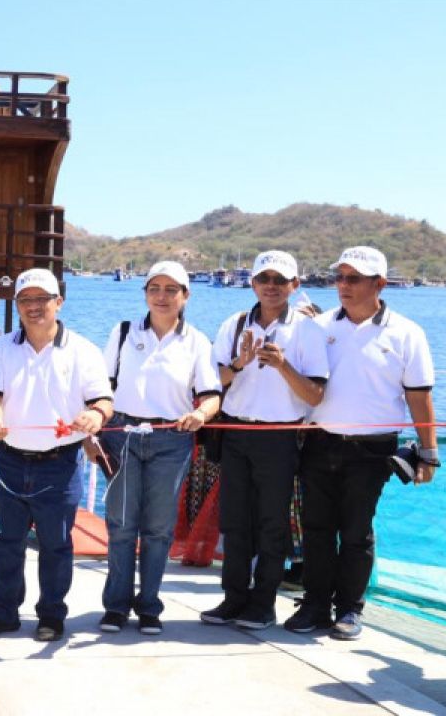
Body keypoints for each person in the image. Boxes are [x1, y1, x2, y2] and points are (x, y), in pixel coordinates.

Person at [285, 246, 438, 640]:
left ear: (380, 284)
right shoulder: (317, 327)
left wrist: (429, 454)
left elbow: (419, 397)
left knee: (356, 531)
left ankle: (350, 610)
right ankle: (315, 604)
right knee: (317, 529)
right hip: (319, 443)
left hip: (373, 449)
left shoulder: (408, 333)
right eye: (339, 277)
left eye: (353, 278)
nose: (343, 286)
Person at [0, 268, 113, 642]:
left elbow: (103, 400)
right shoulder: (0, 348)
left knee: (57, 546)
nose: (33, 307)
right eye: (25, 300)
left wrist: (94, 415)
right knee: (3, 542)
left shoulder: (83, 350)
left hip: (60, 465)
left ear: (58, 303)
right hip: (8, 460)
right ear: (16, 306)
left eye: (41, 299)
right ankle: (3, 611)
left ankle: (51, 615)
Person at [198, 251, 328, 631]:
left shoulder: (308, 330)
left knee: (272, 523)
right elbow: (213, 382)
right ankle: (234, 598)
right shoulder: (234, 324)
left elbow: (315, 396)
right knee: (235, 521)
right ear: (252, 283)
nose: (271, 285)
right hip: (236, 432)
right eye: (264, 278)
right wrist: (239, 362)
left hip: (279, 436)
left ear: (294, 285)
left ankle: (263, 603)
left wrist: (283, 365)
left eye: (279, 279)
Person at [97, 261, 222, 635]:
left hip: (172, 440)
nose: (162, 296)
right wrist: (93, 434)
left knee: (158, 529)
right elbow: (101, 388)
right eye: (155, 288)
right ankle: (116, 607)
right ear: (145, 293)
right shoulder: (122, 333)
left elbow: (212, 395)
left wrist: (200, 414)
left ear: (186, 296)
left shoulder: (197, 341)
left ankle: (149, 606)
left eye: (172, 289)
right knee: (120, 526)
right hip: (123, 435)